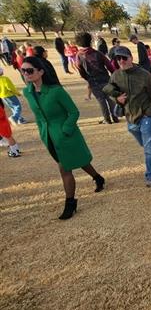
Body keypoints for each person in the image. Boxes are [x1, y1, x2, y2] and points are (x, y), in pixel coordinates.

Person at [21, 56, 105, 219]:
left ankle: (70, 203)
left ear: (41, 72)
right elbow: (39, 117)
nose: (26, 73)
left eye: (29, 70)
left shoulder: (56, 91)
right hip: (49, 137)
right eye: (23, 70)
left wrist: (66, 130)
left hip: (67, 135)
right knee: (77, 160)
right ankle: (98, 177)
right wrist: (43, 133)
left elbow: (74, 112)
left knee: (65, 168)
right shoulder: (27, 92)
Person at [103, 46, 151, 187]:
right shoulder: (116, 75)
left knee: (148, 147)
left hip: (146, 116)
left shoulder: (144, 75)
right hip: (130, 116)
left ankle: (150, 174)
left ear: (131, 58)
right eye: (118, 58)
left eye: (124, 57)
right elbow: (109, 90)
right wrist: (117, 99)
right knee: (144, 143)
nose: (121, 61)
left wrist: (149, 113)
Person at [75, 32, 118, 125]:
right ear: (90, 41)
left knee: (101, 100)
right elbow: (109, 66)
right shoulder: (98, 53)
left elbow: (80, 70)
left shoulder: (79, 56)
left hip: (93, 81)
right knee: (110, 98)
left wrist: (87, 78)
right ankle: (115, 117)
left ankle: (107, 119)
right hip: (105, 79)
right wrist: (114, 75)